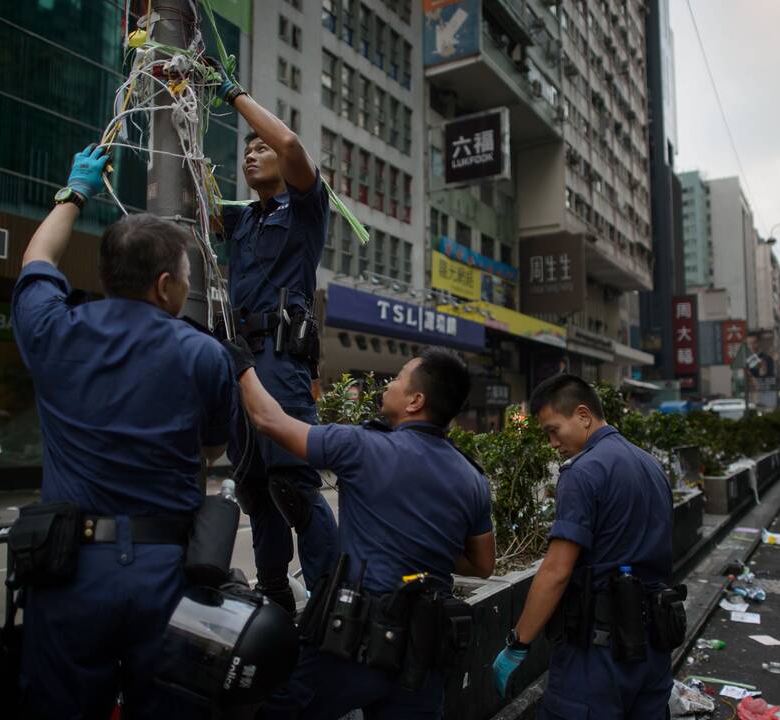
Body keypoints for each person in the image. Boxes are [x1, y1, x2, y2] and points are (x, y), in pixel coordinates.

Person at [10, 145, 236, 719]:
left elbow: (37, 258)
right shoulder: (205, 356)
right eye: (186, 279)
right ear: (165, 286)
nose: (187, 289)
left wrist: (75, 189)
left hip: (67, 571)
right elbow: (210, 449)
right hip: (164, 573)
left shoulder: (51, 331)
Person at [227, 338, 496, 718]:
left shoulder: (361, 446)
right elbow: (482, 564)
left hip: (349, 643)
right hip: (423, 655)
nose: (388, 384)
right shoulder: (472, 479)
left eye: (399, 379)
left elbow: (269, 420)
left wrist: (241, 364)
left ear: (415, 401)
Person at [214, 60, 337, 611]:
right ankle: (273, 599)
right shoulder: (240, 220)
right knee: (256, 491)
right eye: (245, 152)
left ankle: (332, 602)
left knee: (293, 484)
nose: (251, 154)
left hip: (283, 362)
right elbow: (191, 196)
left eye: (257, 149)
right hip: (239, 365)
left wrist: (234, 93)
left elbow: (288, 143)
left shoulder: (306, 207)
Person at [492, 374, 675, 718]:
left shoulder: (583, 472)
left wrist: (518, 644)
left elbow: (557, 571)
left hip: (599, 654)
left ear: (583, 415)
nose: (551, 443)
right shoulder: (650, 465)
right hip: (653, 646)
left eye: (553, 430)